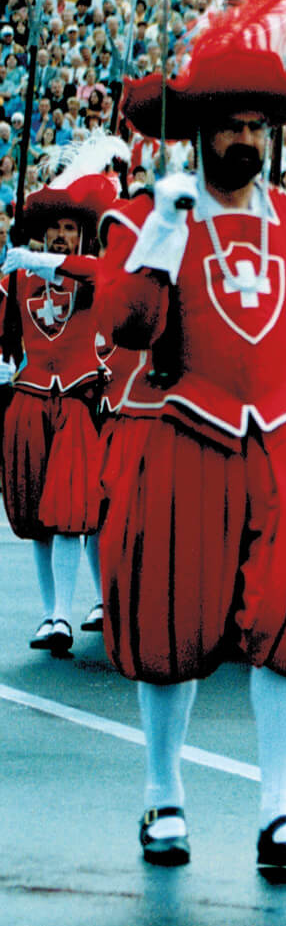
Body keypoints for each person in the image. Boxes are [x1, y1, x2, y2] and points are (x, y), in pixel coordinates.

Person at [95, 0, 286, 869]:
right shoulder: (147, 216)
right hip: (186, 434)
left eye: (256, 125)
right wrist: (164, 230)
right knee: (173, 619)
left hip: (282, 441)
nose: (242, 139)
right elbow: (126, 326)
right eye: (227, 124)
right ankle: (162, 795)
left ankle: (279, 810)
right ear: (200, 130)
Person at [0, 133, 127, 655]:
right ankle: (53, 611)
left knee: (72, 510)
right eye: (52, 229)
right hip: (30, 402)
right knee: (36, 516)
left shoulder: (91, 274)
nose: (59, 237)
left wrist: (45, 262)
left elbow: (100, 271)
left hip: (77, 402)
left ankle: (64, 614)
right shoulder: (17, 279)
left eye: (68, 229)